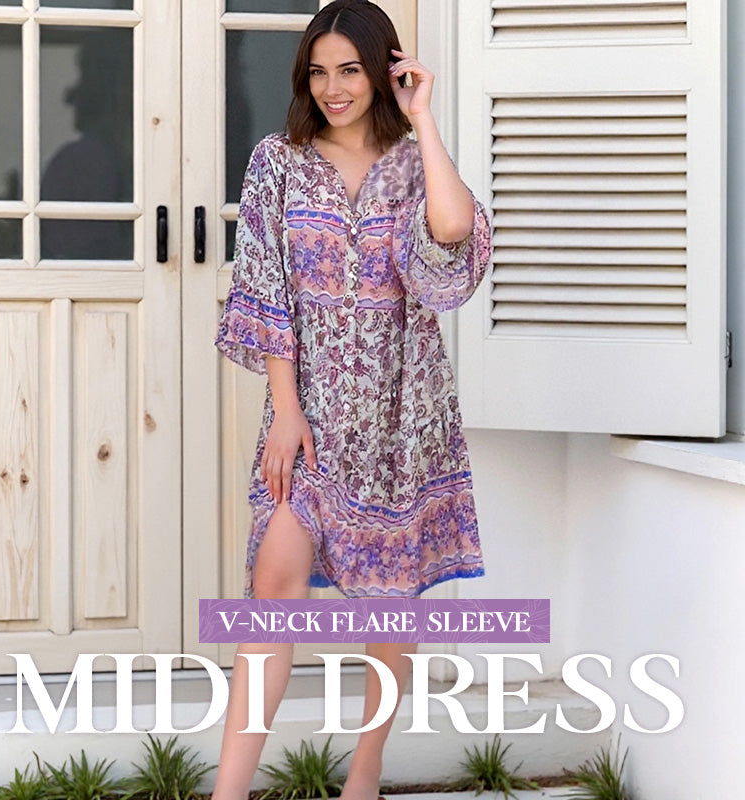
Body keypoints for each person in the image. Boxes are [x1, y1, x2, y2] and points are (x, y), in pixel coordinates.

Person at [213, 1, 491, 797]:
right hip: (307, 414)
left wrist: (423, 118)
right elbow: (263, 285)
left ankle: (364, 775)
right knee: (274, 589)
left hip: (403, 414)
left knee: (392, 604)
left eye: (350, 70)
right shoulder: (278, 163)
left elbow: (453, 235)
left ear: (382, 71)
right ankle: (228, 792)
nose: (333, 88)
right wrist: (285, 408)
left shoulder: (411, 164)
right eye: (319, 72)